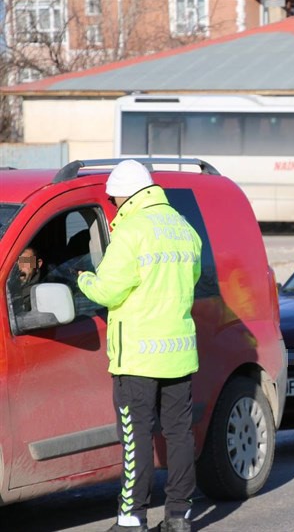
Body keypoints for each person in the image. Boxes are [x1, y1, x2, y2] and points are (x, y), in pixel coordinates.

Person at [77, 160, 202, 532]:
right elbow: (192, 278)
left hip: (138, 356)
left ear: (124, 196)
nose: (113, 205)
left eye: (114, 199)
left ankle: (132, 518)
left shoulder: (131, 231)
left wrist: (82, 278)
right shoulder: (183, 227)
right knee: (179, 434)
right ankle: (179, 516)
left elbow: (107, 290)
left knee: (136, 439)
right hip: (179, 352)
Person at [17, 246, 44, 312]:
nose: (19, 268)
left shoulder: (40, 295)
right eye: (15, 263)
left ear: (38, 264)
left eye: (25, 261)